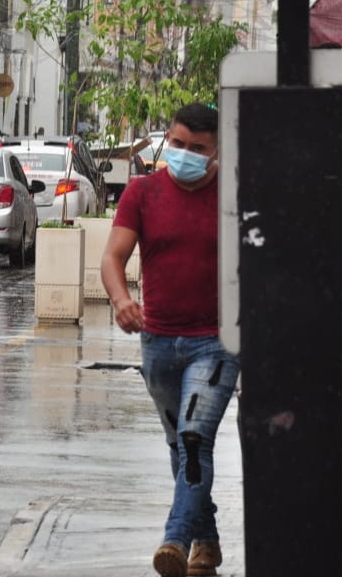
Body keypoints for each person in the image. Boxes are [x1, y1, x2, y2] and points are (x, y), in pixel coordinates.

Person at [100, 103, 239, 577]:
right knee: (179, 446)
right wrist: (121, 301)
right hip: (157, 341)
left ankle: (175, 541)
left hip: (216, 343)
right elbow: (113, 257)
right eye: (177, 144)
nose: (184, 154)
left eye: (197, 148)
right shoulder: (142, 192)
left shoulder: (234, 195)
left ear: (217, 149)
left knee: (195, 437)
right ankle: (207, 540)